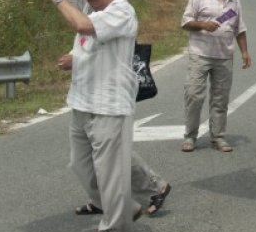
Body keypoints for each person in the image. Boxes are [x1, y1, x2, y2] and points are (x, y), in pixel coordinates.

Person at [42, 0, 142, 232]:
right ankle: (124, 208)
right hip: (82, 100)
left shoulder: (122, 11)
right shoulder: (89, 0)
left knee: (110, 175)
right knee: (81, 166)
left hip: (109, 105)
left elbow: (84, 26)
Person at [56, 52, 172, 216]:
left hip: (106, 100)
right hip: (82, 99)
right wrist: (73, 55)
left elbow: (115, 52)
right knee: (82, 161)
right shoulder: (87, 28)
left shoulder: (112, 26)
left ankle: (149, 191)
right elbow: (86, 43)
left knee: (112, 154)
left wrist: (78, 61)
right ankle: (103, 202)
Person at [181, 0, 251, 153]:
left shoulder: (235, 0)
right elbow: (185, 21)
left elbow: (240, 28)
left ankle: (218, 137)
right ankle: (190, 136)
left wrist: (244, 51)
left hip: (224, 55)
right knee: (194, 95)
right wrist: (203, 25)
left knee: (220, 98)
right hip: (200, 54)